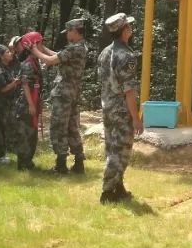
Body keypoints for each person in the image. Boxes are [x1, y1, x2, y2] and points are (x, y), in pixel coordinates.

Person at [30, 19, 89, 175]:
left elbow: (50, 61)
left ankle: (60, 165)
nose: (67, 35)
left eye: (68, 31)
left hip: (63, 94)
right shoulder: (80, 47)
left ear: (75, 31)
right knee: (72, 128)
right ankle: (78, 163)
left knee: (58, 127)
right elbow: (58, 56)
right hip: (73, 93)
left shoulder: (75, 48)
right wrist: (42, 47)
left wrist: (34, 49)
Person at [98, 13, 142, 203]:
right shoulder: (126, 55)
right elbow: (129, 90)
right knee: (121, 152)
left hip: (107, 106)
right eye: (129, 27)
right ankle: (107, 192)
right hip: (121, 109)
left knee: (112, 148)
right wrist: (136, 118)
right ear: (124, 30)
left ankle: (118, 186)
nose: (131, 30)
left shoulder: (105, 52)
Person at [14, 32, 44, 171]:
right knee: (25, 135)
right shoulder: (28, 63)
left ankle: (28, 162)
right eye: (39, 43)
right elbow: (25, 84)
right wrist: (31, 105)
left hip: (34, 102)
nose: (42, 46)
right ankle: (23, 164)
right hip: (26, 104)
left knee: (32, 135)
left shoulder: (35, 61)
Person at [0, 44, 19, 164]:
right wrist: (15, 83)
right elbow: (1, 89)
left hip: (7, 103)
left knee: (4, 129)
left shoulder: (8, 68)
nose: (10, 53)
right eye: (7, 52)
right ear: (1, 56)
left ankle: (1, 154)